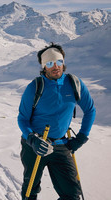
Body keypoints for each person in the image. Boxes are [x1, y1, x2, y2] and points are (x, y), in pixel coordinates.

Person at [17, 43, 96, 200]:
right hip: (35, 146)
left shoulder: (74, 84)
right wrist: (32, 140)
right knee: (30, 191)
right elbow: (22, 118)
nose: (55, 67)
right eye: (50, 63)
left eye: (59, 62)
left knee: (72, 194)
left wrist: (81, 137)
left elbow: (90, 110)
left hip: (61, 146)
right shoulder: (35, 87)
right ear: (44, 66)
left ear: (63, 63)